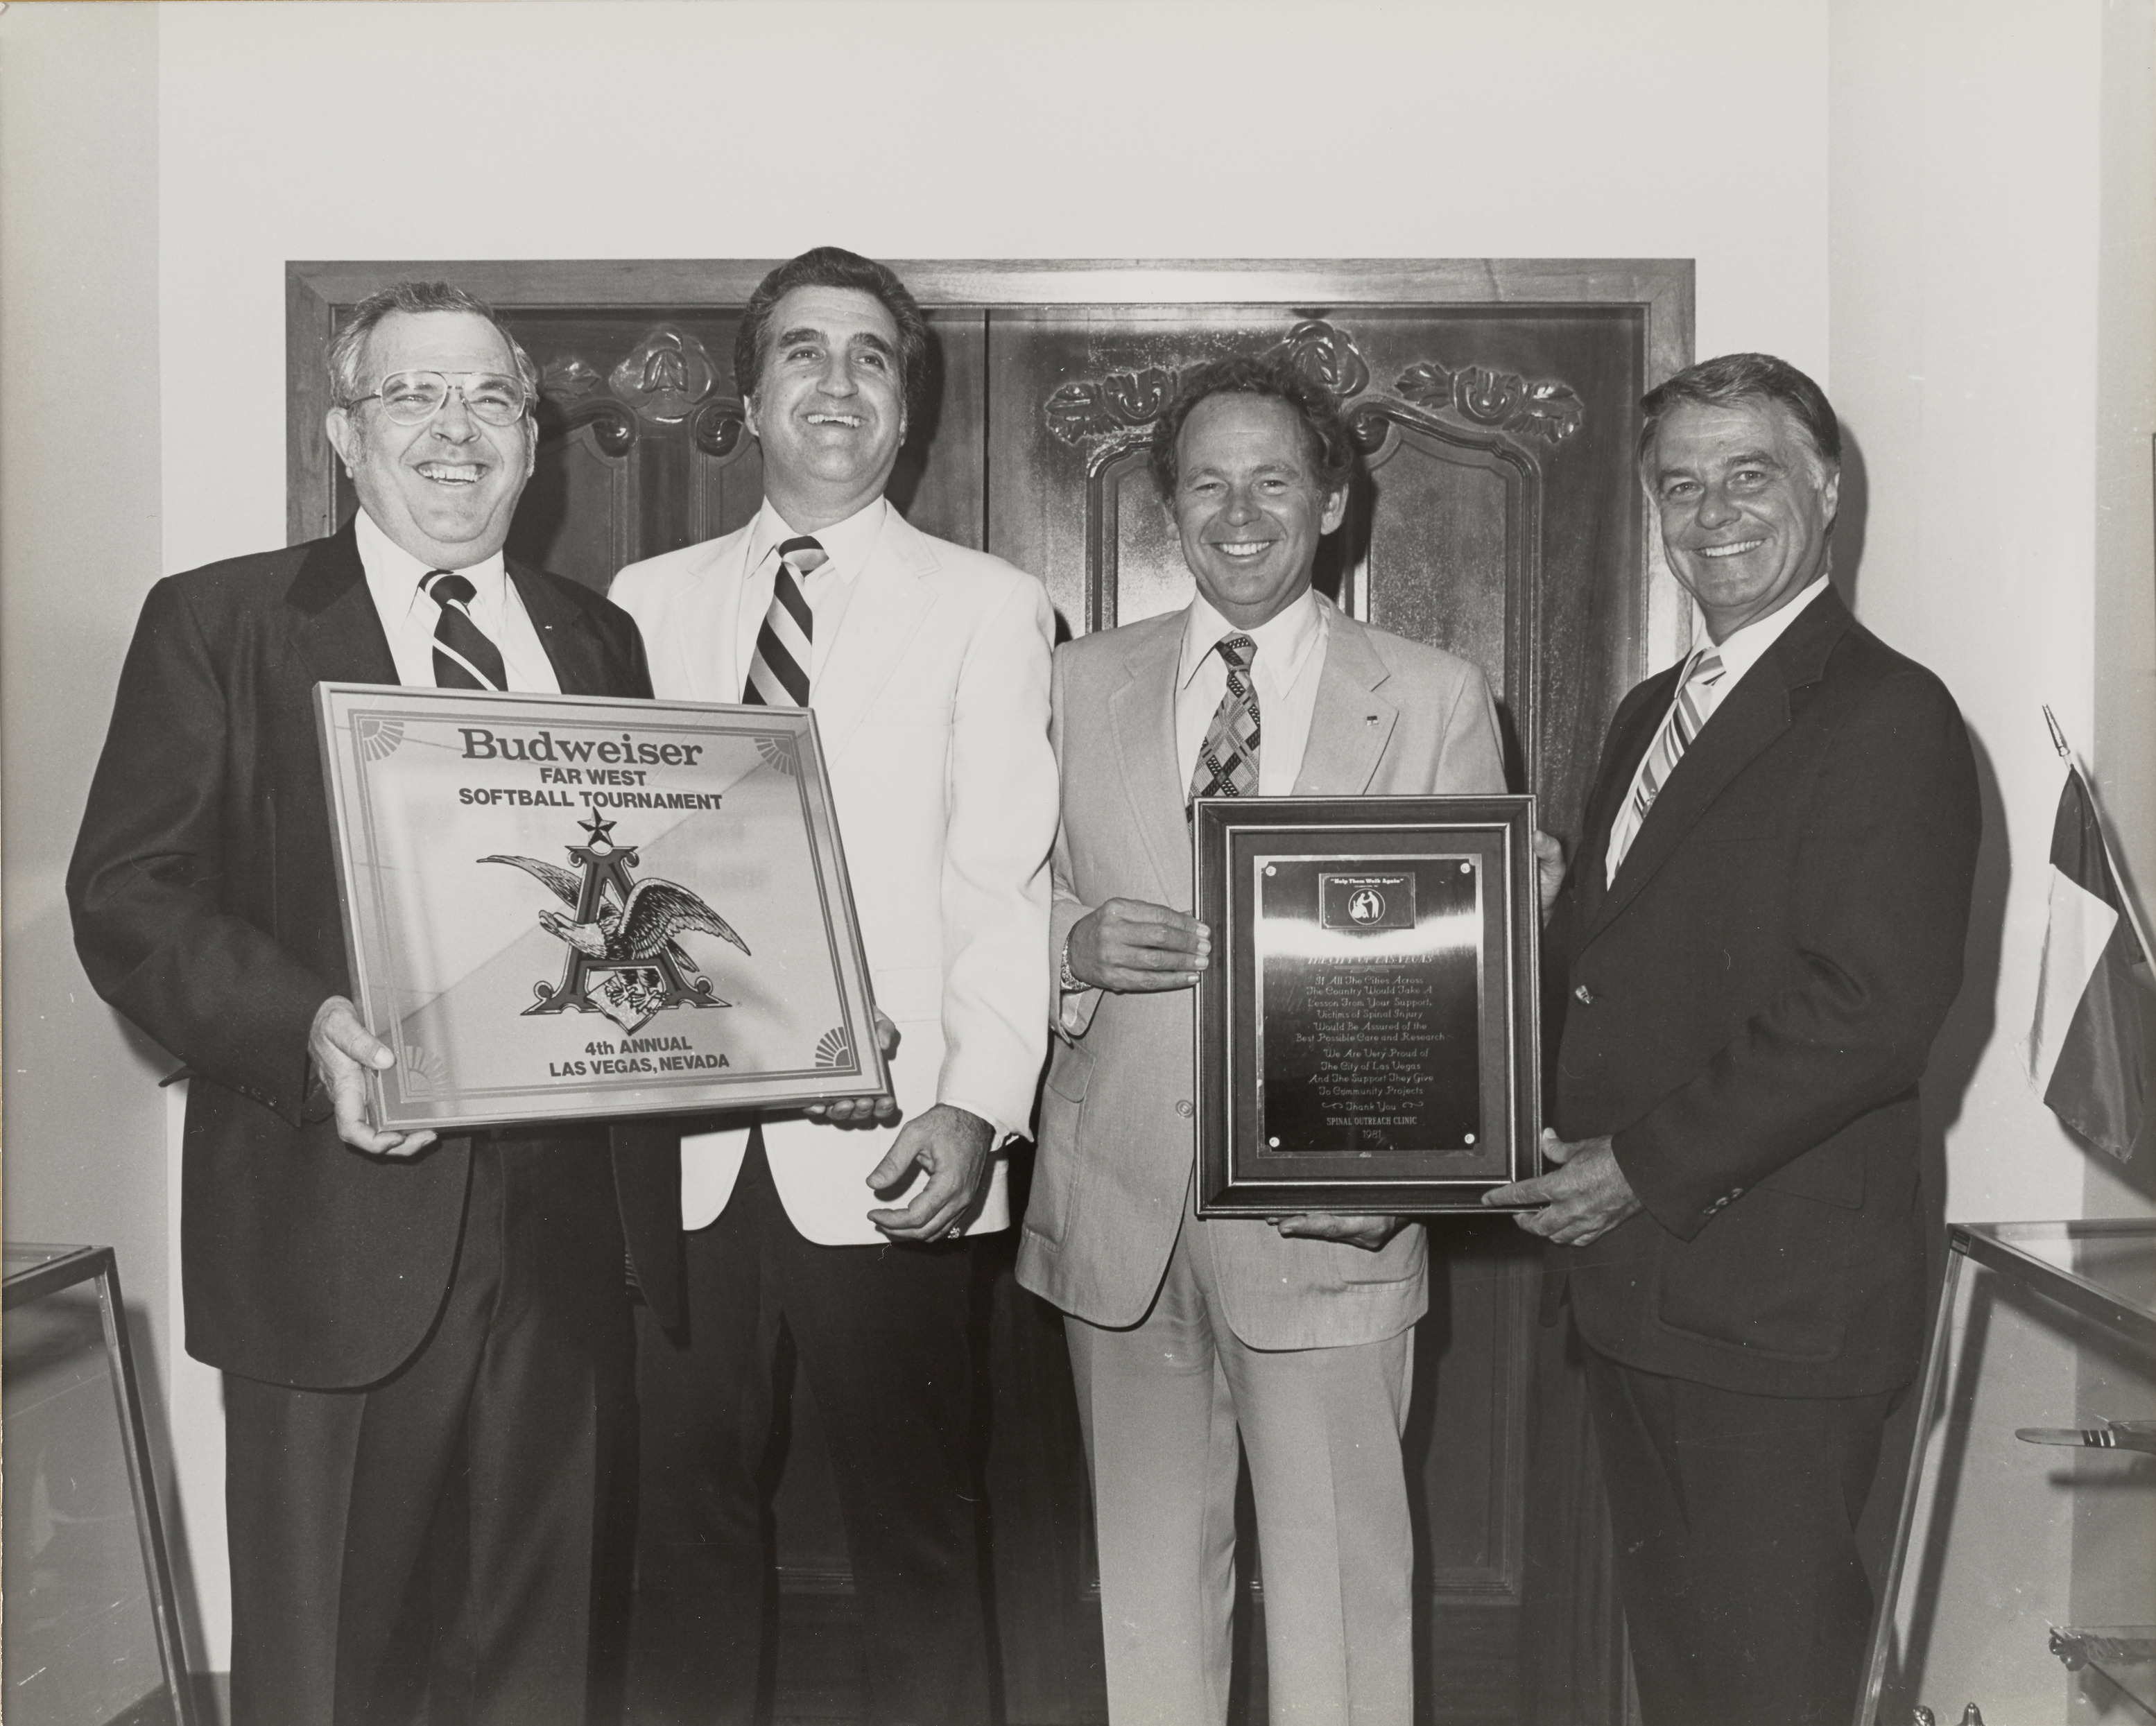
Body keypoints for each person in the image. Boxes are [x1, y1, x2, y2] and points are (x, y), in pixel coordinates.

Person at [67, 281, 684, 1726]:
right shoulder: (218, 622)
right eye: (413, 396)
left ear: (532, 447)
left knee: (542, 1664)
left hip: (570, 1240)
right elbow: (131, 898)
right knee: (332, 1669)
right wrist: (307, 1027)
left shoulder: (598, 642)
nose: (455, 431)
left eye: (490, 401)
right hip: (329, 1232)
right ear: (346, 437)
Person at [1485, 354, 1981, 1726]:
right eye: (1679, 485)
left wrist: (1635, 1165)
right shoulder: (1657, 708)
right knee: (1692, 1676)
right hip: (1650, 1295)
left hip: (1775, 1313)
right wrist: (1534, 914)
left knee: (1769, 1685)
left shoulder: (1889, 712)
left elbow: (1869, 1015)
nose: (1711, 514)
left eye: (1748, 475)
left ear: (1825, 487)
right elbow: (1634, 974)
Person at [1018, 355, 1508, 1725]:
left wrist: (1403, 1174)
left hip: (1327, 1218)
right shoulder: (1068, 683)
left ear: (1333, 503)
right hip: (1118, 1207)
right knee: (1152, 1610)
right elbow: (988, 893)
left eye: (1273, 480)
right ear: (1168, 509)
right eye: (1205, 485)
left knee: (1343, 1613)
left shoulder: (1430, 694)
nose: (1239, 514)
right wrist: (1067, 943)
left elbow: (1468, 972)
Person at [607, 247, 1057, 1726]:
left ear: (906, 408)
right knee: (683, 1533)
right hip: (675, 1150)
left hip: (890, 1149)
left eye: (872, 357)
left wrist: (977, 1109)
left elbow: (1003, 879)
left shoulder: (990, 607)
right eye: (804, 351)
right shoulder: (643, 601)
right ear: (750, 393)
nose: (838, 383)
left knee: (917, 1535)